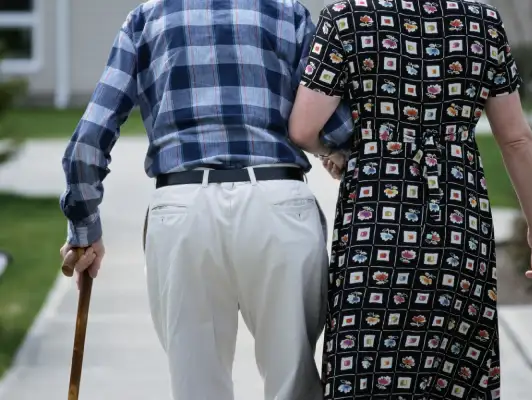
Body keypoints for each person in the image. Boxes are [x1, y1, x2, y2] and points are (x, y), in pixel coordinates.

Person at [57, 0, 354, 399]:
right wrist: (336, 152)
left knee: (197, 389)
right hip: (277, 202)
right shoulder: (290, 14)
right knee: (295, 385)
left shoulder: (147, 18)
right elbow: (336, 124)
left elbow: (88, 140)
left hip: (182, 208)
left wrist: (84, 227)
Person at [288, 1, 532, 398]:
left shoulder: (348, 17)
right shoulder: (482, 22)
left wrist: (339, 154)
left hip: (376, 224)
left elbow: (303, 127)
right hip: (458, 222)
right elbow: (516, 138)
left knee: (368, 364)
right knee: (453, 372)